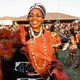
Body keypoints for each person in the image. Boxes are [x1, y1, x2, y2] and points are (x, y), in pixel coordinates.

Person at [14, 3, 68, 80]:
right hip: (21, 76)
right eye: (31, 15)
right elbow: (9, 57)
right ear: (28, 18)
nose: (34, 18)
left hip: (42, 77)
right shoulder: (20, 34)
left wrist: (54, 67)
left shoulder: (49, 36)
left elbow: (51, 57)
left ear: (43, 19)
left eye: (38, 16)